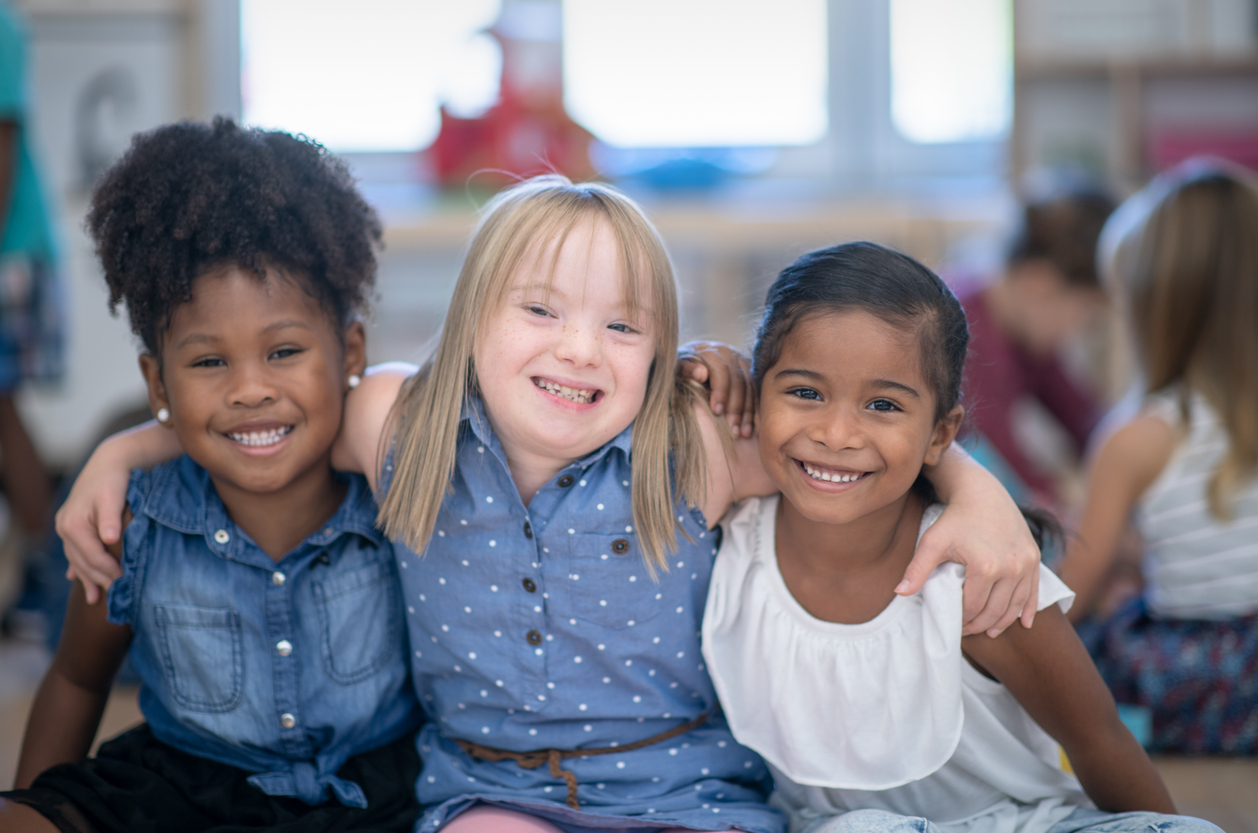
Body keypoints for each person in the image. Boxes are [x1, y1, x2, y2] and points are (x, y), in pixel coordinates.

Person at [58, 175, 1043, 833]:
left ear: (659, 348)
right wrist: (119, 450)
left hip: (681, 792)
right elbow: (262, 411)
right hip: (491, 789)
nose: (579, 349)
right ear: (473, 314)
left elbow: (855, 446)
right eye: (540, 309)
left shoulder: (692, 443)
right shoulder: (397, 426)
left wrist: (978, 491)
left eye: (621, 324)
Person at [702, 241, 1221, 833]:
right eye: (804, 393)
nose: (836, 433)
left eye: (882, 405)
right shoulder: (726, 528)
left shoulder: (982, 576)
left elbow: (1098, 739)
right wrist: (695, 358)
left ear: (939, 434)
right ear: (754, 390)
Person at [0, 118, 424, 833]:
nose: (250, 389)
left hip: (375, 794)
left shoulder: (396, 489)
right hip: (186, 793)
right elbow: (76, 676)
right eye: (207, 361)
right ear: (156, 383)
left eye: (284, 350)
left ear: (350, 349)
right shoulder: (130, 522)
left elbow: (424, 398)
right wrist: (37, 801)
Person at [1057, 158, 1258, 754]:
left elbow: (1071, 598)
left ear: (1154, 311)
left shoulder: (1138, 437)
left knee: (1085, 640)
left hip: (1195, 684)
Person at [957, 189, 1113, 505]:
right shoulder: (962, 338)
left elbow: (1085, 418)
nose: (1082, 330)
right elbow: (1007, 473)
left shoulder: (1024, 332)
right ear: (1037, 282)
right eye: (1087, 311)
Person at [0, 0, 63, 614]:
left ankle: (47, 575)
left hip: (8, 252)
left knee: (2, 408)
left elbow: (2, 145)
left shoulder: (1, 25)